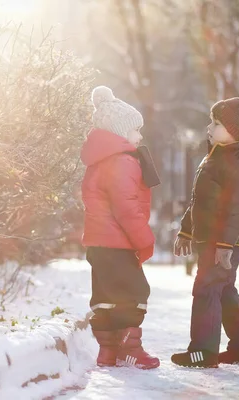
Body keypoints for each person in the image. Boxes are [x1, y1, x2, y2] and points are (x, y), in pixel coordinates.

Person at [172, 88, 239, 368]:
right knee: (224, 289)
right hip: (214, 238)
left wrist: (226, 244)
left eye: (216, 123)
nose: (210, 127)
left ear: (236, 130)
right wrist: (186, 230)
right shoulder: (218, 155)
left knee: (206, 288)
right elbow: (201, 199)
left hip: (224, 240)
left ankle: (203, 352)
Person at [80, 86, 159, 369]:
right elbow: (126, 206)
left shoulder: (99, 162)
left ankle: (108, 352)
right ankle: (130, 349)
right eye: (135, 130)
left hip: (99, 244)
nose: (139, 136)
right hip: (119, 243)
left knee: (105, 298)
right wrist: (144, 240)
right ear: (120, 133)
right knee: (134, 294)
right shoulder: (124, 161)